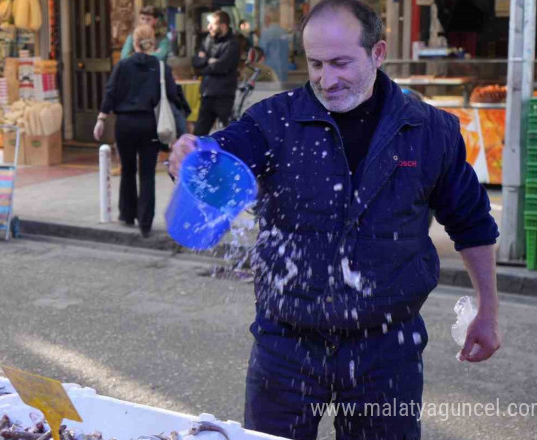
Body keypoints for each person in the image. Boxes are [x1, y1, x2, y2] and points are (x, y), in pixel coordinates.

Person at [169, 1, 501, 439]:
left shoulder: (430, 131)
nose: (327, 80)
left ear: (378, 53)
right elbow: (221, 154)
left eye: (342, 63)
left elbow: (472, 223)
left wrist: (488, 312)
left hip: (387, 347)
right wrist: (190, 157)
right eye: (316, 64)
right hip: (286, 343)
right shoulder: (274, 120)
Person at [95, 25, 181, 238]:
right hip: (150, 124)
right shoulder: (161, 68)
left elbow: (111, 92)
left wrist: (101, 118)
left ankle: (127, 213)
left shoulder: (123, 65)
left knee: (127, 169)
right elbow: (173, 97)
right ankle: (145, 222)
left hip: (124, 124)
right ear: (152, 41)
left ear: (134, 42)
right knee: (147, 173)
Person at [192, 10, 241, 136]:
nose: (209, 27)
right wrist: (209, 61)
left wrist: (206, 63)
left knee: (231, 132)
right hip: (207, 94)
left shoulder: (232, 44)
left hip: (223, 94)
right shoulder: (208, 40)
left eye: (212, 24)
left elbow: (221, 66)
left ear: (223, 26)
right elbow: (196, 63)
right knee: (199, 134)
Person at [258, 6, 292, 83]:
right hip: (283, 67)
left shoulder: (266, 34)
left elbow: (261, 52)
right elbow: (288, 49)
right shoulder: (284, 32)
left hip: (270, 69)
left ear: (267, 18)